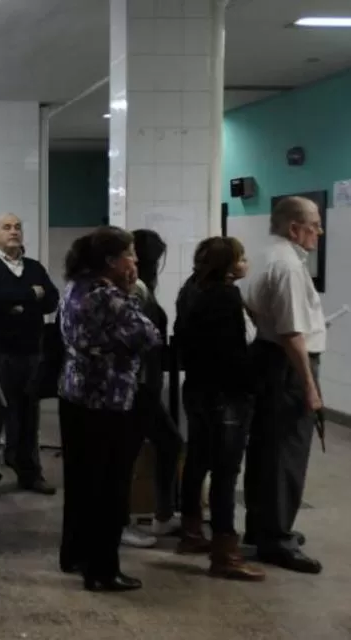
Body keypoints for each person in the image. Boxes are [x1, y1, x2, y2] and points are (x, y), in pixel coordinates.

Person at [58, 226, 160, 592]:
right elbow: (149, 335)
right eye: (130, 255)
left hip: (75, 396)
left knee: (82, 484)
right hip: (106, 401)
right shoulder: (109, 296)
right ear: (111, 261)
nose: (135, 261)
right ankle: (102, 569)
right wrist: (132, 292)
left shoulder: (74, 287)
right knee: (109, 488)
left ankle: (75, 554)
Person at [243, 195, 325, 575]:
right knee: (286, 453)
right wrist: (309, 386)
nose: (319, 232)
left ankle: (261, 528)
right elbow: (293, 333)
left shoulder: (263, 254)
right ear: (295, 228)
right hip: (286, 366)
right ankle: (276, 539)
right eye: (315, 225)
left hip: (265, 356)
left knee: (265, 449)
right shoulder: (289, 266)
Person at [174, 236, 264, 581]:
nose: (245, 263)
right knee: (226, 472)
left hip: (196, 388)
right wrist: (254, 380)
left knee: (197, 460)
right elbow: (233, 354)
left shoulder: (191, 288)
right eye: (241, 258)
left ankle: (192, 533)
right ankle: (225, 553)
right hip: (225, 395)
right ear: (229, 263)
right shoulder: (226, 296)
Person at [0, 213, 59, 500]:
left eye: (18, 227)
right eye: (7, 228)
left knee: (27, 416)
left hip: (30, 351)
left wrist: (14, 300)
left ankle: (28, 471)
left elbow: (52, 299)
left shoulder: (34, 267)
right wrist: (28, 296)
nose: (13, 232)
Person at [121, 229, 183, 548]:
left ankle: (162, 513)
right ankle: (121, 522)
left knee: (168, 442)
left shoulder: (142, 288)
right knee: (129, 453)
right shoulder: (139, 290)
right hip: (139, 383)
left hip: (144, 382)